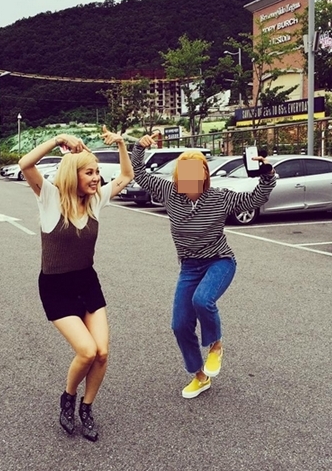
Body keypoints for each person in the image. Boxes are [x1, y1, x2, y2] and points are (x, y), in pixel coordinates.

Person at [131, 134, 276, 399]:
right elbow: (139, 173)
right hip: (189, 266)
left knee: (202, 300)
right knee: (180, 325)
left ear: (204, 175)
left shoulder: (219, 197)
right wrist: (139, 147)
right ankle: (200, 377)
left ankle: (216, 345)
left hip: (219, 261)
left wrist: (266, 175)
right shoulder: (169, 193)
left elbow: (255, 199)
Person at [18, 126, 133, 441]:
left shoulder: (95, 200)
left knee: (102, 352)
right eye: (89, 173)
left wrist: (121, 144)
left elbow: (126, 176)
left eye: (97, 172)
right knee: (86, 351)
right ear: (73, 174)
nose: (97, 178)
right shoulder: (49, 198)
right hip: (56, 287)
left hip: (86, 281)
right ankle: (68, 399)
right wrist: (58, 140)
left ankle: (87, 407)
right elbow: (25, 164)